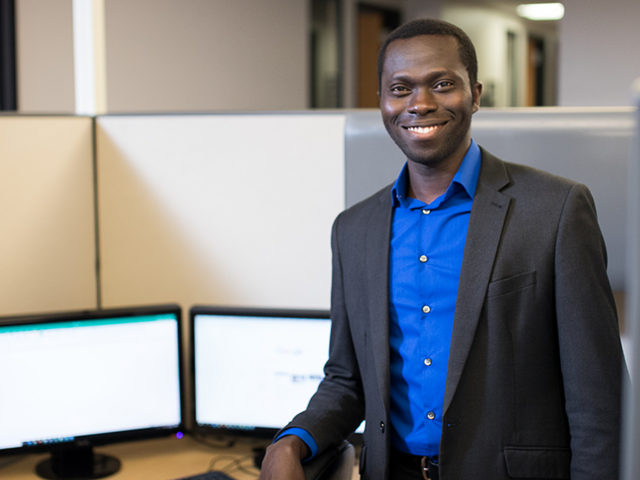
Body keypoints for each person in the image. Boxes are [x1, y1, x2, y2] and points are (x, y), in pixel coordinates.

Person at [260, 18, 626, 480]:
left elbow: (598, 399)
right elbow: (346, 382)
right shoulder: (354, 231)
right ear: (381, 102)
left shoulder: (555, 210)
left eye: (442, 84)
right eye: (400, 88)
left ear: (475, 93)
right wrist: (292, 440)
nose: (421, 103)